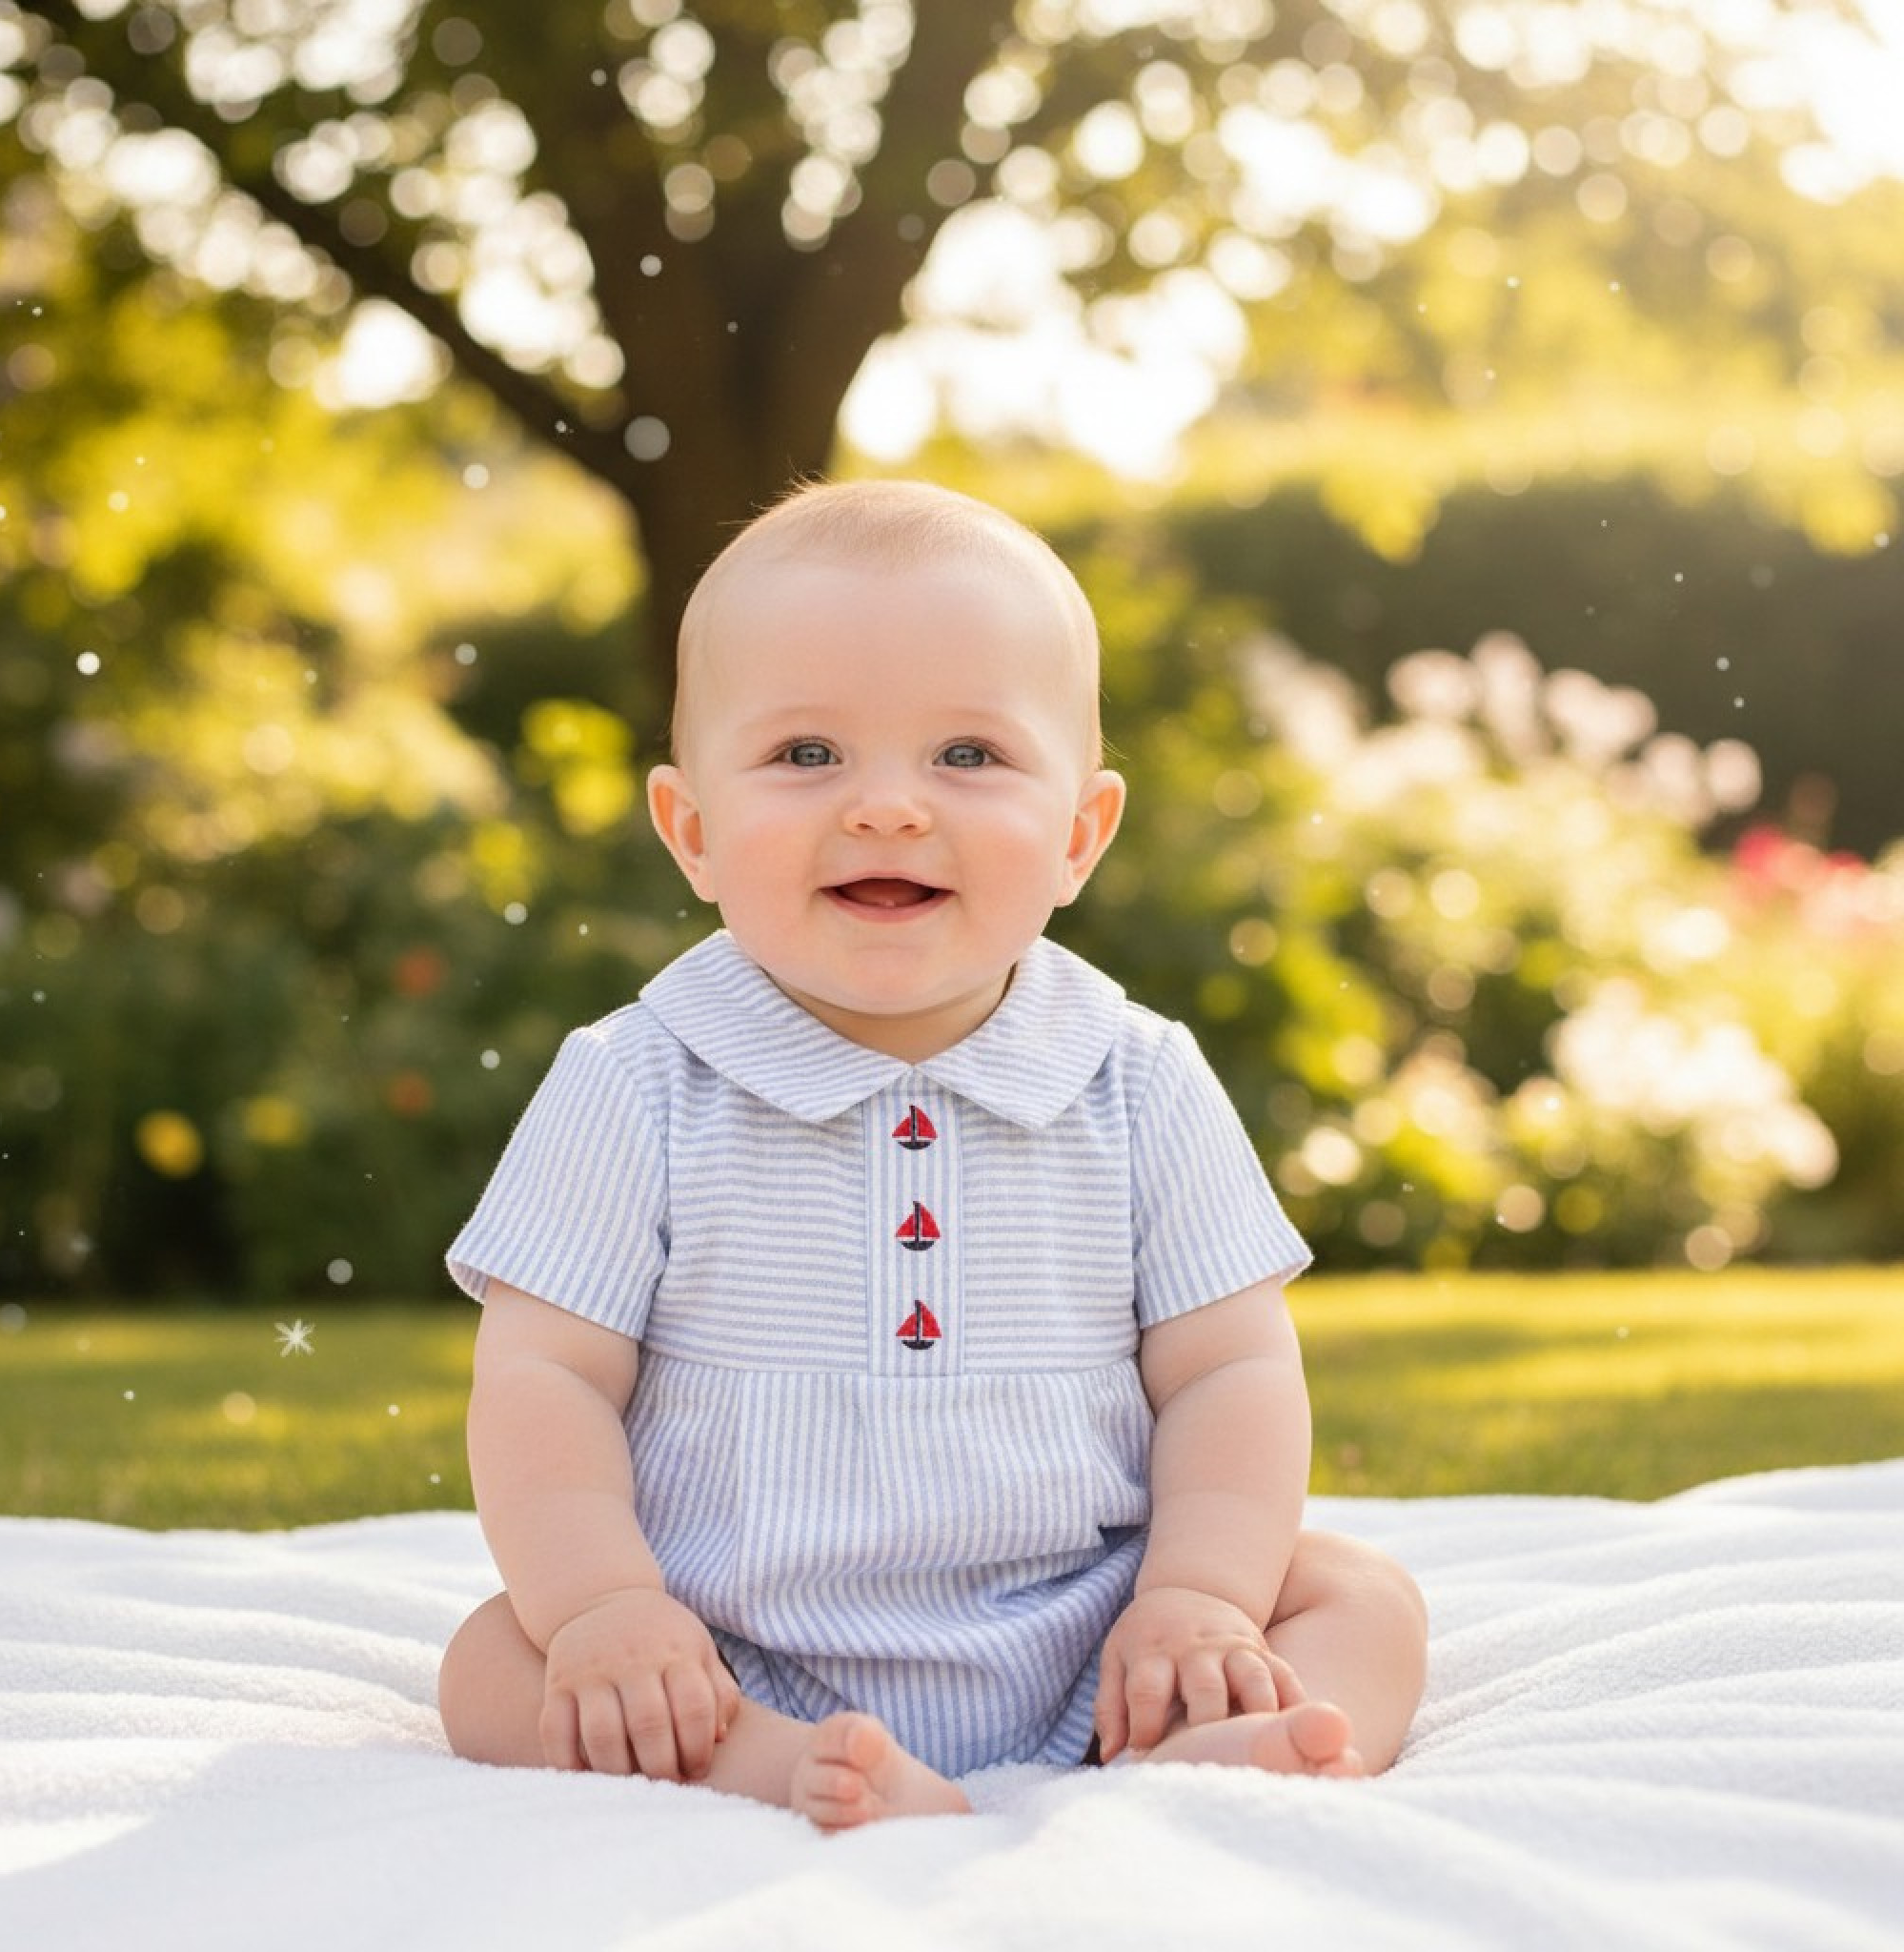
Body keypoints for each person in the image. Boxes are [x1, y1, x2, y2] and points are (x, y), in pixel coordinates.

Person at [437, 480, 1427, 1827]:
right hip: (726, 1645)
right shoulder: (636, 1081)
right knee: (497, 1661)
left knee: (1361, 1597)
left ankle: (1201, 1756)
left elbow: (1231, 1370)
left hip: (1095, 1639)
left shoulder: (1136, 1078)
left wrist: (1194, 1597)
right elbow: (544, 1378)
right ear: (694, 832)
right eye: (805, 756)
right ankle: (783, 1774)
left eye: (967, 756)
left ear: (1080, 834)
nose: (890, 807)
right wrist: (611, 1609)